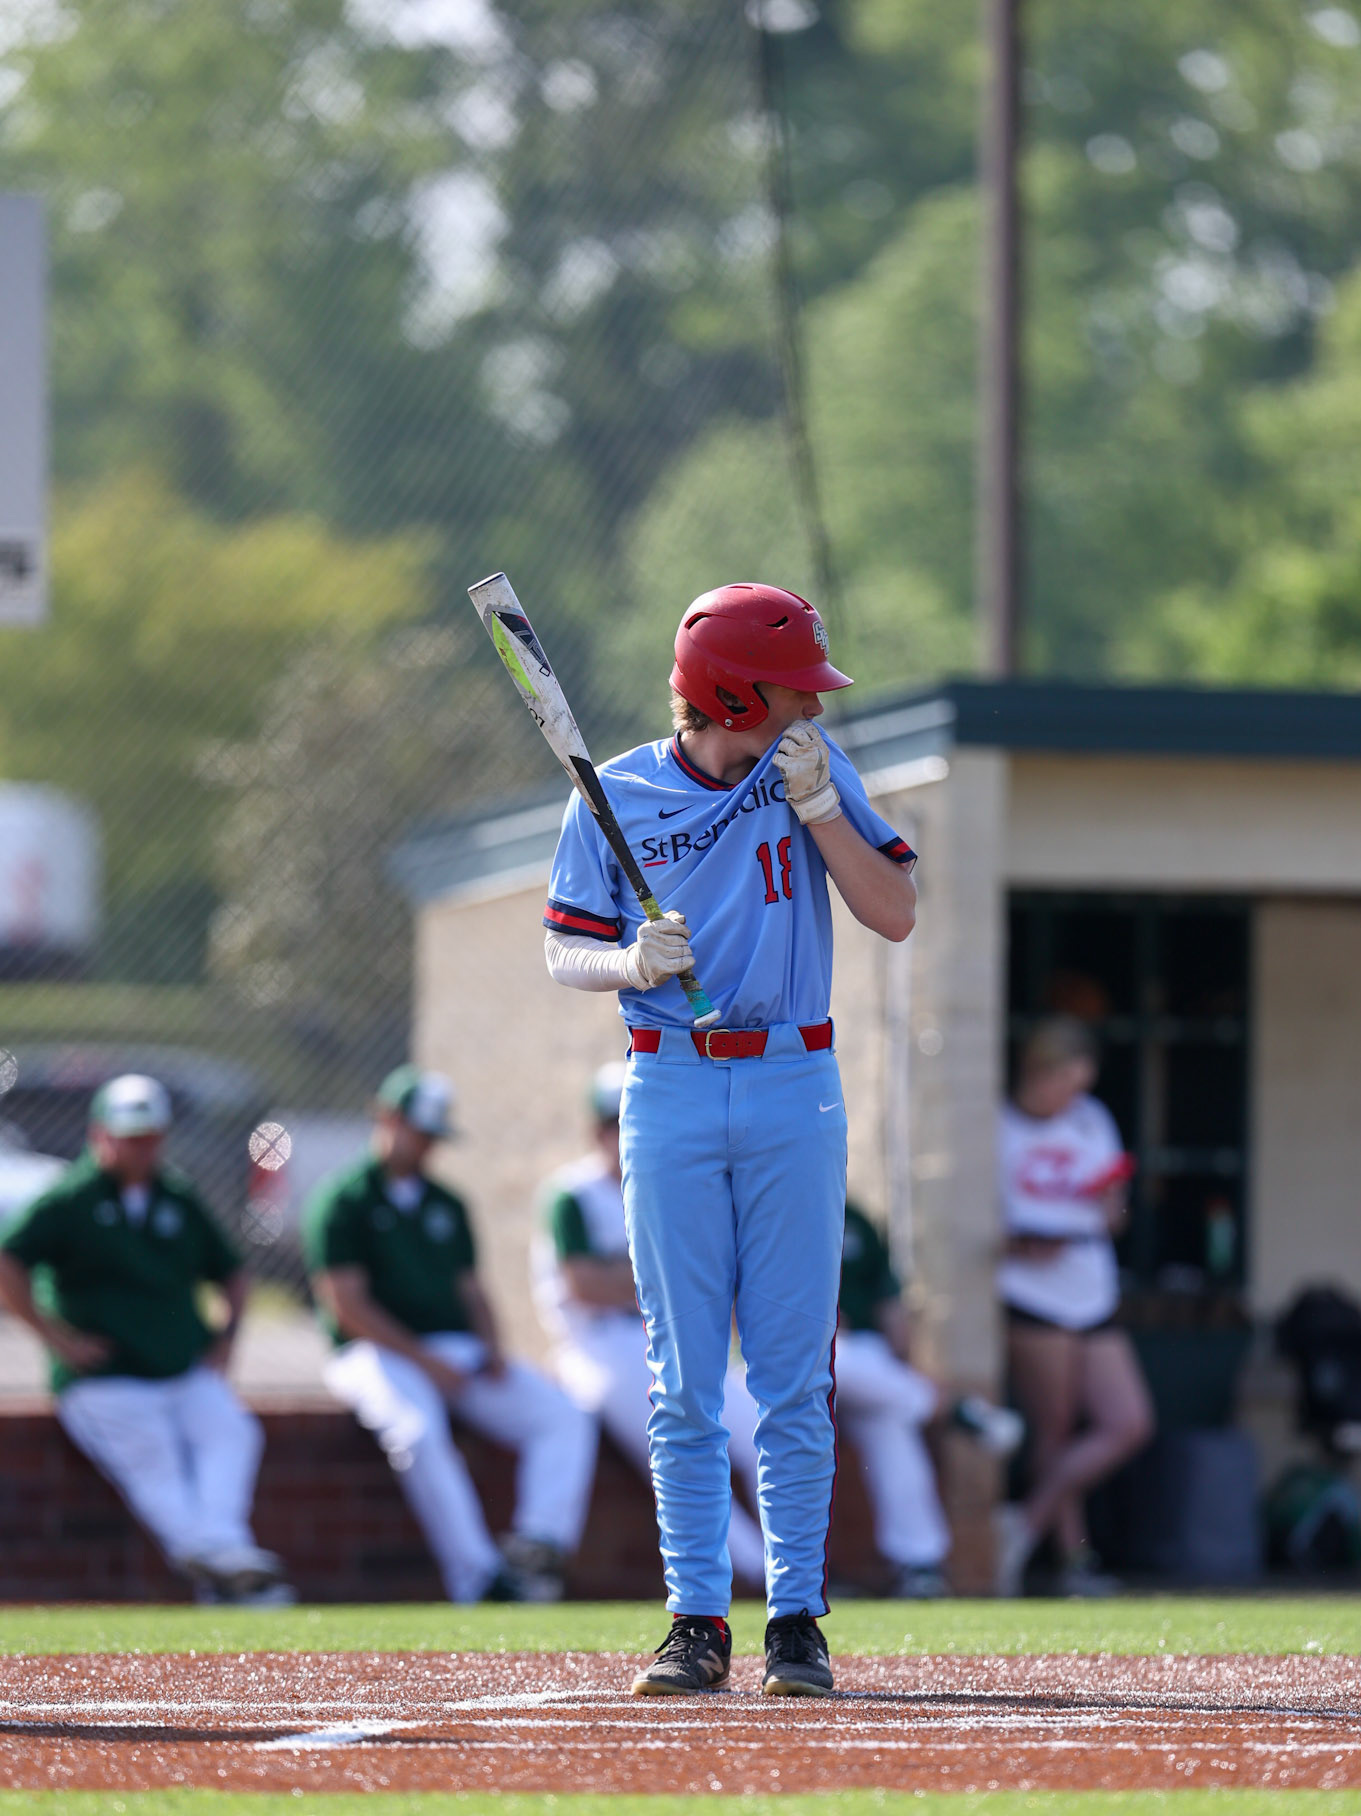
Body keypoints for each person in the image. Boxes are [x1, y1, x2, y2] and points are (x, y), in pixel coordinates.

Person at [541, 580, 917, 1696]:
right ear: (736, 693)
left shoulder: (812, 766)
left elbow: (895, 910)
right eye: (797, 686)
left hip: (796, 1076)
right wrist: (626, 961)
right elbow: (563, 946)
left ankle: (796, 1618)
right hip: (668, 1081)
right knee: (683, 1375)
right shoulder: (613, 791)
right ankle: (695, 1618)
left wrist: (823, 811)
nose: (815, 703)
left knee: (795, 1372)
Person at [303, 1065, 597, 1604]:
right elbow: (347, 1308)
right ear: (387, 1119)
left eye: (433, 1135)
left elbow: (472, 1290)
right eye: (419, 1131)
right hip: (373, 1353)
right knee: (417, 1434)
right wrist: (424, 1361)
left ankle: (538, 1546)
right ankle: (479, 1579)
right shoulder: (343, 1198)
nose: (427, 1146)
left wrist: (493, 1346)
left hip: (453, 1350)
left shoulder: (447, 1202)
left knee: (562, 1415)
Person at [0, 1074, 292, 1605]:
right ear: (100, 1134)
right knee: (154, 1461)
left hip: (180, 1367)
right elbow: (8, 1262)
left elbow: (230, 1269)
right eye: (130, 1137)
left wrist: (226, 1339)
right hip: (106, 1377)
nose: (142, 1149)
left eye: (151, 1137)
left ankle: (221, 1557)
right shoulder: (70, 1197)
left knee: (232, 1431)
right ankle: (228, 1567)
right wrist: (57, 1340)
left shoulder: (176, 1194)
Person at [532, 1061, 768, 1591]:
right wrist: (665, 1277)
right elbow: (585, 1285)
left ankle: (792, 1568)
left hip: (669, 1336)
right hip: (596, 1346)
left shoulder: (674, 1191)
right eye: (616, 1122)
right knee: (677, 1441)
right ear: (597, 1131)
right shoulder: (572, 1194)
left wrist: (648, 1278)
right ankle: (750, 1571)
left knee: (757, 1428)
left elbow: (713, 1278)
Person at [994, 1017, 1155, 1596]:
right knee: (1055, 1428)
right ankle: (1074, 1562)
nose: (1072, 1096)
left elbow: (1114, 1215)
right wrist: (1021, 1242)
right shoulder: (999, 1125)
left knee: (1127, 1422)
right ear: (1037, 1072)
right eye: (1064, 1081)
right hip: (1031, 1292)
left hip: (1091, 1285)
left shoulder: (1091, 1119)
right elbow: (978, 1222)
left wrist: (1113, 1203)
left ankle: (1021, 1524)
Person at [834, 1198, 1024, 1597]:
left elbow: (889, 1305)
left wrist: (904, 1359)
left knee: (891, 1425)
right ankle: (954, 1410)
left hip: (865, 1363)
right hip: (781, 1359)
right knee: (832, 1353)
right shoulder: (760, 1207)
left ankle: (920, 1565)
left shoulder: (853, 1216)